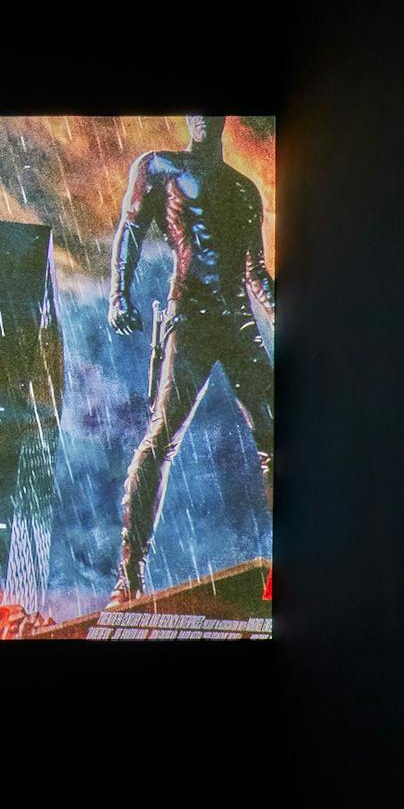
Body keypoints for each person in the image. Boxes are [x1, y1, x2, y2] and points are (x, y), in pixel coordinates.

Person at [106, 115, 275, 606]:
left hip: (238, 322)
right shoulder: (159, 166)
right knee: (162, 437)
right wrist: (119, 294)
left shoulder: (243, 189)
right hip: (192, 316)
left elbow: (255, 273)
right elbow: (131, 229)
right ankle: (129, 576)